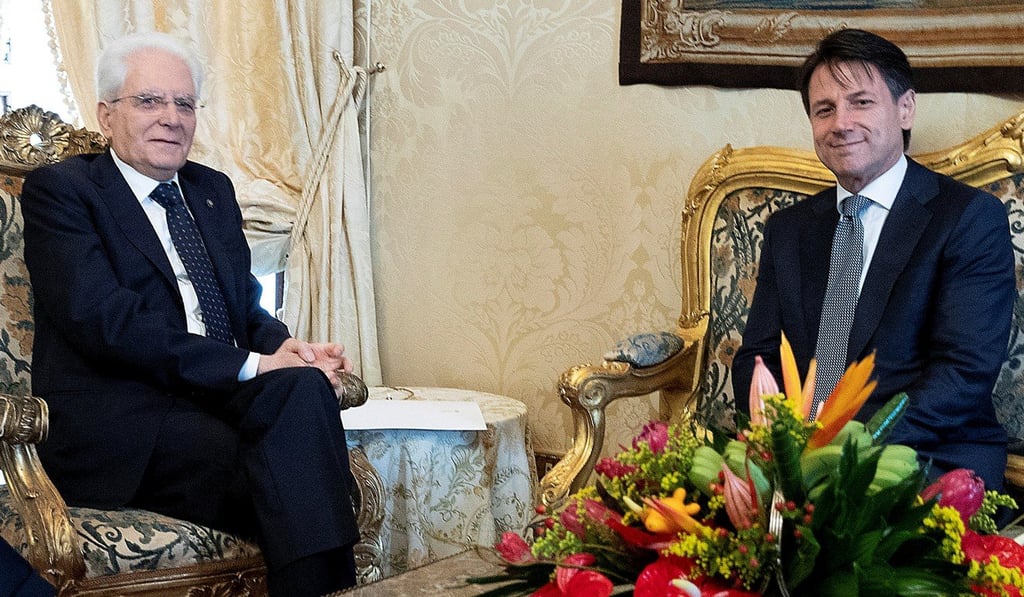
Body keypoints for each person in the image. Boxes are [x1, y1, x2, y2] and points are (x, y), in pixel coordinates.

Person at [20, 32, 359, 595]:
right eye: (149, 101)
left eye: (184, 103)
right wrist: (252, 366)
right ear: (107, 116)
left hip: (216, 401)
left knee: (302, 393)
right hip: (127, 420)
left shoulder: (211, 190)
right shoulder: (64, 192)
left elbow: (242, 307)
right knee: (288, 469)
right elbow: (105, 321)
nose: (171, 118)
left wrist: (286, 350)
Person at [732, 28, 1015, 491]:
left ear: (905, 109)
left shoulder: (967, 218)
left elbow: (962, 374)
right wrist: (789, 446)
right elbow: (755, 358)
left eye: (860, 102)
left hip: (926, 455)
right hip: (797, 460)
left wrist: (844, 446)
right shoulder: (789, 229)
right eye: (824, 110)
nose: (840, 122)